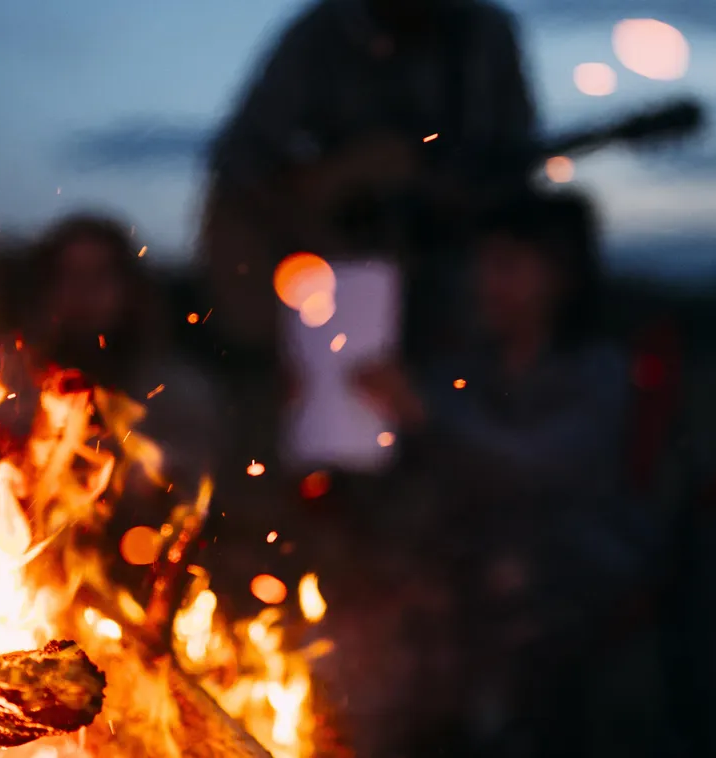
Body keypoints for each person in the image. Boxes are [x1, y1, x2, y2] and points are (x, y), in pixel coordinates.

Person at [353, 189, 661, 755]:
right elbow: (412, 462)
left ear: (560, 275)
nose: (485, 282)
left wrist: (426, 416)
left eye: (508, 265)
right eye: (483, 264)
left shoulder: (597, 373)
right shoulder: (467, 371)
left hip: (570, 567)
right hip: (471, 564)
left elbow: (535, 466)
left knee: (506, 597)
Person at [198, 0, 538, 462]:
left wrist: (439, 187)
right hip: (335, 277)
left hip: (453, 274)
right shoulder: (320, 34)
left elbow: (516, 168)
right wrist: (342, 178)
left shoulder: (484, 35)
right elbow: (239, 162)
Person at [21, 213, 219, 496]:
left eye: (100, 275)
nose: (84, 292)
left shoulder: (176, 393)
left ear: (129, 289)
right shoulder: (2, 392)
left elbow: (198, 487)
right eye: (70, 275)